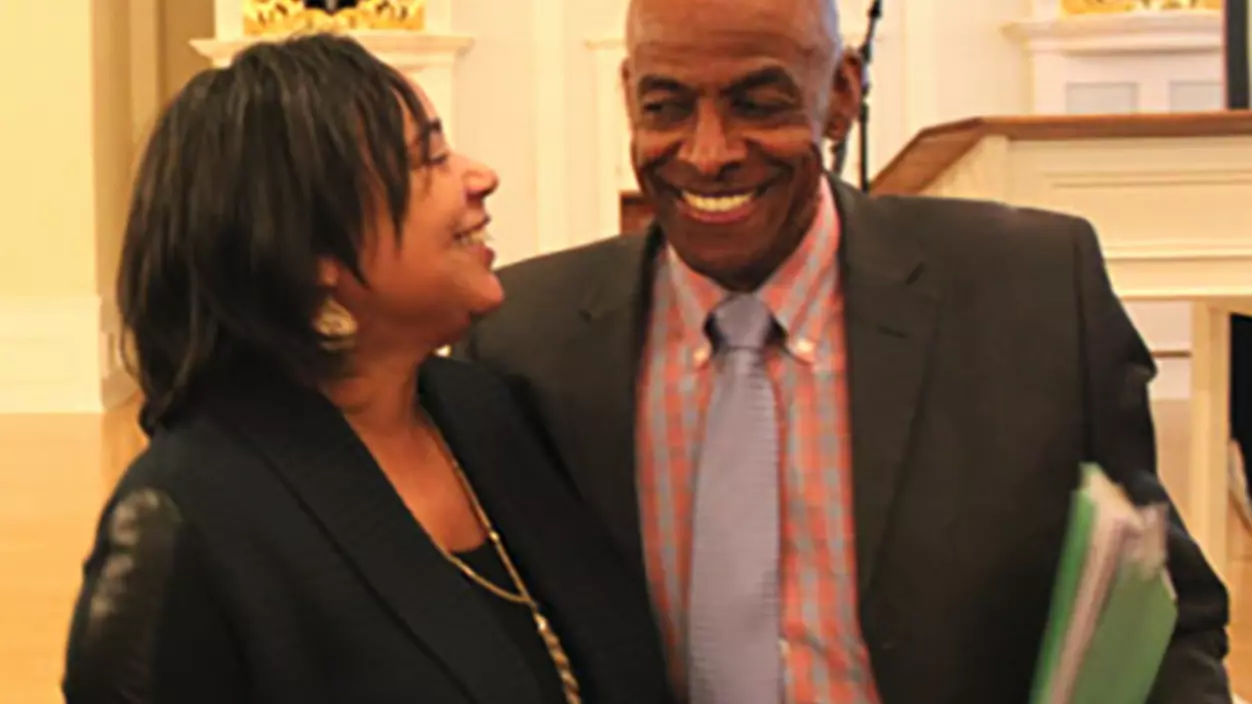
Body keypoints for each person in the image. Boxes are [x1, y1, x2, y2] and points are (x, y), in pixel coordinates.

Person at [454, 0, 1233, 701]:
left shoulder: (1028, 298)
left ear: (841, 93)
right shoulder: (525, 341)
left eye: (758, 104)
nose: (710, 151)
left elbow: (1162, 610)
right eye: (667, 106)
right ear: (629, 95)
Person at [61, 33, 672, 704]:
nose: (480, 176)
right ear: (308, 251)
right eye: (429, 160)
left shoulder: (487, 409)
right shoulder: (185, 517)